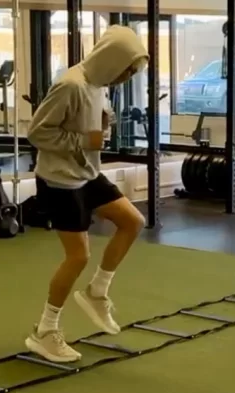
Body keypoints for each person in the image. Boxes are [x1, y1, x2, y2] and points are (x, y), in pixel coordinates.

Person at [24, 26, 149, 363]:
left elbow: (88, 129)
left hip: (87, 173)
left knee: (132, 221)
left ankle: (97, 292)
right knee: (77, 256)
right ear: (112, 60)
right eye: (126, 69)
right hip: (60, 181)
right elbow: (36, 132)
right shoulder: (70, 85)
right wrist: (84, 142)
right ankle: (45, 332)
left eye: (131, 73)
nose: (126, 77)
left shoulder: (98, 85)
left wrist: (102, 127)